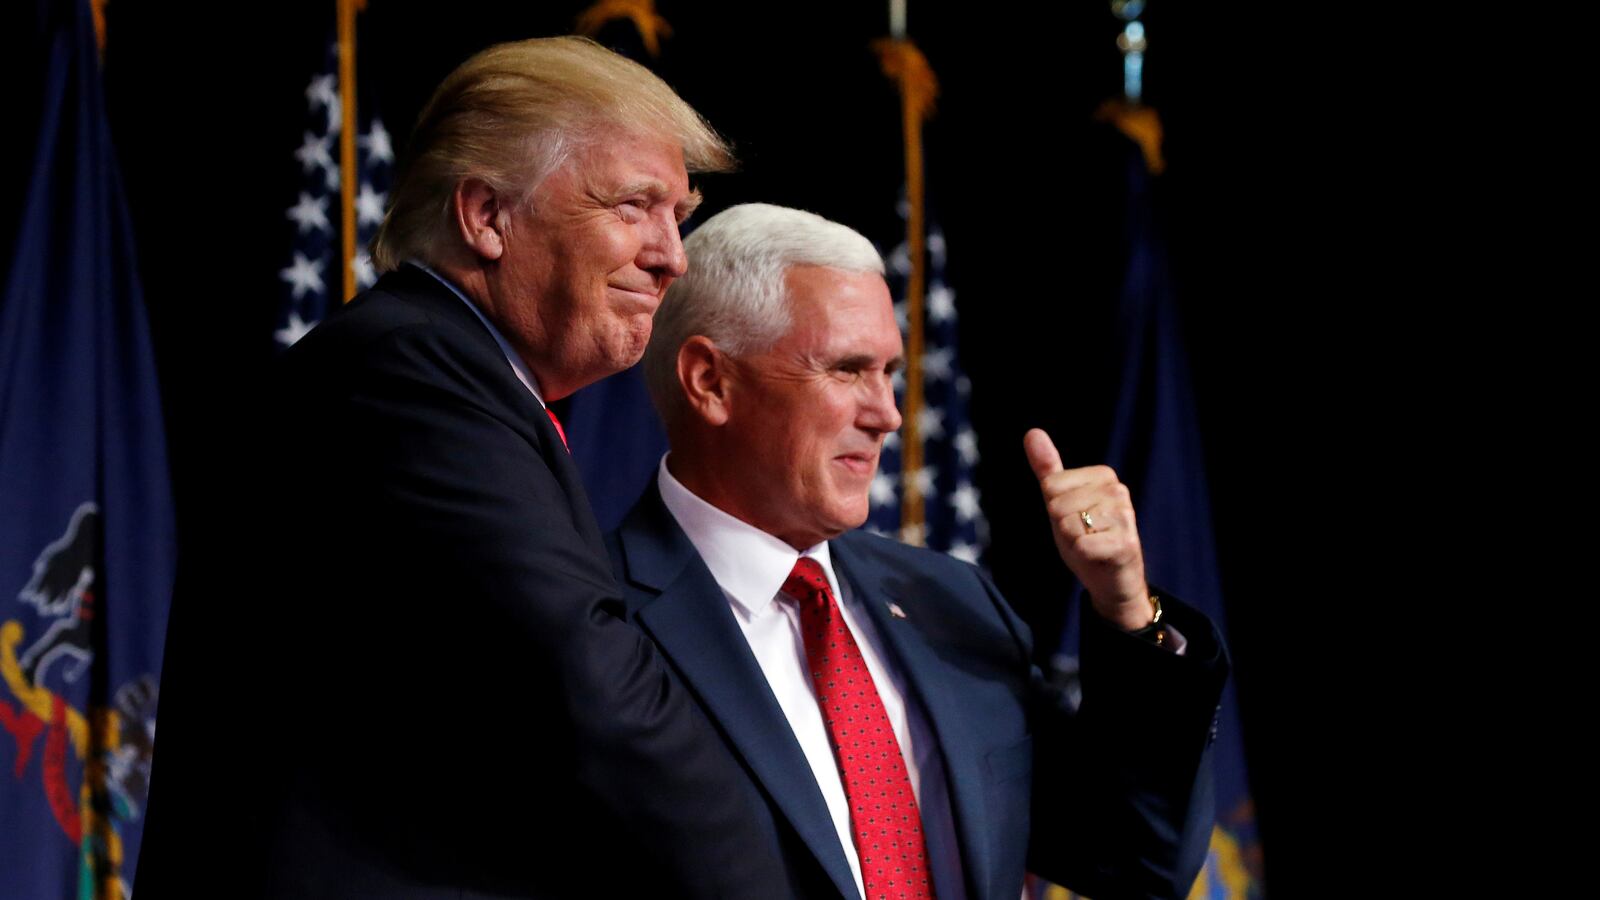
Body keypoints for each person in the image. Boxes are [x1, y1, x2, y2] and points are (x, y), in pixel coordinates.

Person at [137, 38, 782, 898]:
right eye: (635, 206)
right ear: (486, 216)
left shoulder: (454, 379)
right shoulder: (409, 374)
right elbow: (590, 687)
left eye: (680, 214)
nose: (674, 255)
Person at [607, 203, 1231, 900]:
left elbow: (1137, 857)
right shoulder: (588, 623)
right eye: (846, 371)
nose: (887, 414)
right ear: (710, 381)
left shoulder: (951, 602)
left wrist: (1126, 611)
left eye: (889, 373)